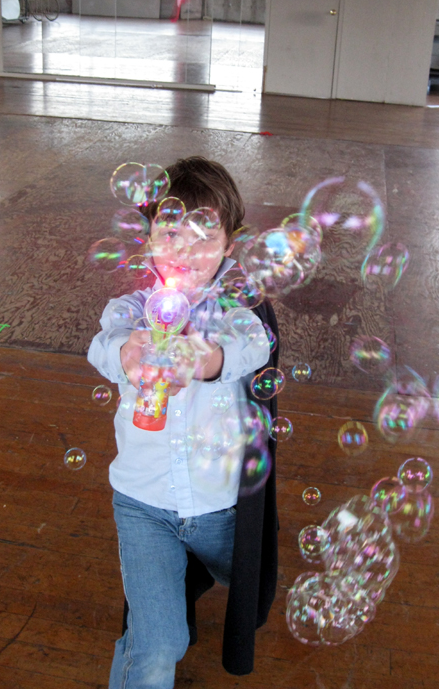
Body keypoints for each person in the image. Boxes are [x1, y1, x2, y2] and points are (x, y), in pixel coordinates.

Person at [87, 156, 279, 689]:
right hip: (143, 506)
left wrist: (205, 361)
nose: (184, 250)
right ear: (148, 238)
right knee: (158, 644)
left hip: (221, 509)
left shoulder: (237, 312)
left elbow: (251, 346)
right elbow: (103, 344)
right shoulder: (131, 310)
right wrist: (125, 354)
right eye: (170, 232)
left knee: (249, 589)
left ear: (229, 246)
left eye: (204, 236)